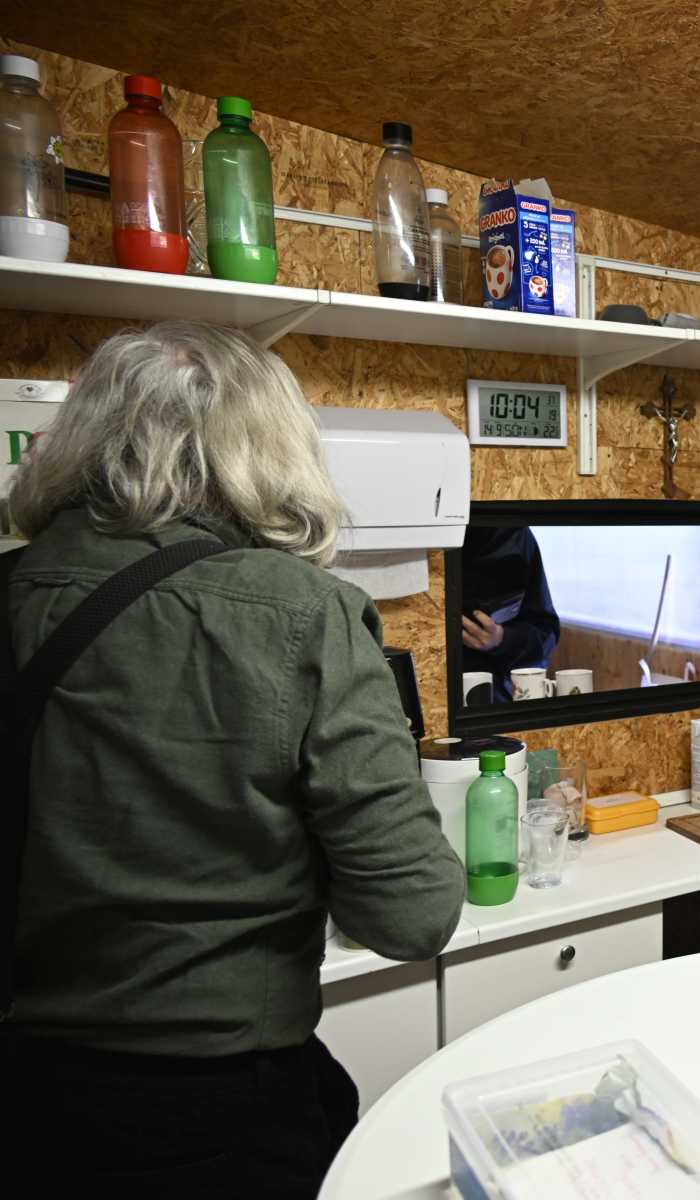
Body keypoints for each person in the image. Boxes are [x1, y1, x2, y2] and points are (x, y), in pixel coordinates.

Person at [3, 321, 466, 1196]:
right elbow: (413, 916)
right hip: (211, 1112)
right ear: (269, 450)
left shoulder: (14, 590)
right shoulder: (299, 612)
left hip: (26, 1100)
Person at [459, 522, 560, 700]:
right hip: (430, 685)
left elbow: (545, 632)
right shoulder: (425, 534)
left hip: (496, 694)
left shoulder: (517, 535)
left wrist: (502, 639)